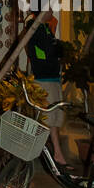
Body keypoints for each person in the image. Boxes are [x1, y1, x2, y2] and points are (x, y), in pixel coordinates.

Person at [25, 12, 67, 164]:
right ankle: (29, 157)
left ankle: (57, 153)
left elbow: (57, 50)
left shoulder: (46, 28)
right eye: (48, 7)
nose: (52, 11)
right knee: (45, 119)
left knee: (54, 118)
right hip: (43, 79)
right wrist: (56, 47)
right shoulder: (35, 27)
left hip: (52, 78)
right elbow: (50, 50)